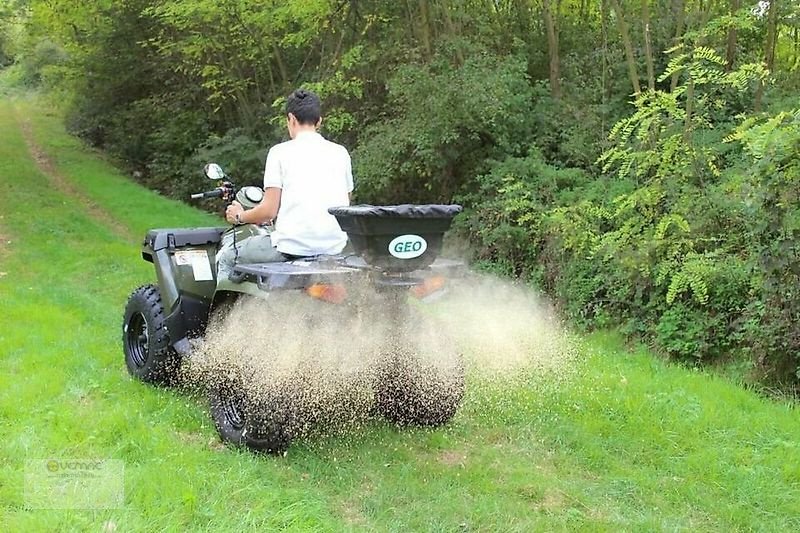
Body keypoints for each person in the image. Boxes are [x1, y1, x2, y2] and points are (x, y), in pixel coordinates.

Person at [217, 89, 354, 279]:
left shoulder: (279, 153)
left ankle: (222, 300)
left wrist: (239, 216)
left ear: (291, 119)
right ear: (319, 121)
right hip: (335, 248)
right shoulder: (340, 153)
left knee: (226, 257)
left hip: (291, 249)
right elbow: (345, 204)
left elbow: (268, 212)